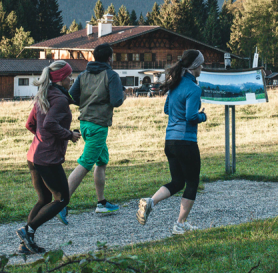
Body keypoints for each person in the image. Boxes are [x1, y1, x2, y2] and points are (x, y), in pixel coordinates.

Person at [136, 49, 206, 235]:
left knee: (177, 182)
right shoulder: (194, 89)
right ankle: (180, 224)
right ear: (194, 67)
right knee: (191, 183)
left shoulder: (175, 85)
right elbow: (191, 116)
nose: (202, 67)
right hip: (186, 141)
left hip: (170, 141)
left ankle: (151, 201)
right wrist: (202, 116)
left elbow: (167, 109)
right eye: (201, 64)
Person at [16, 60, 80, 255]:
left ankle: (25, 244)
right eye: (69, 76)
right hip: (47, 159)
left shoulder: (43, 95)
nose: (71, 79)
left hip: (34, 155)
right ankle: (28, 231)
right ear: (61, 78)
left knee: (44, 198)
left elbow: (30, 125)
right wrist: (70, 135)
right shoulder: (59, 99)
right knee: (62, 199)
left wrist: (42, 141)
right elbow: (50, 124)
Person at [59, 43, 124, 224]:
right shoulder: (111, 75)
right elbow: (117, 101)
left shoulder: (83, 75)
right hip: (98, 126)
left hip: (85, 123)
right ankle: (62, 203)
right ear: (109, 58)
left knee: (101, 161)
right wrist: (122, 95)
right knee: (85, 163)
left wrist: (86, 101)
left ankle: (101, 203)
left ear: (94, 57)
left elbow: (71, 97)